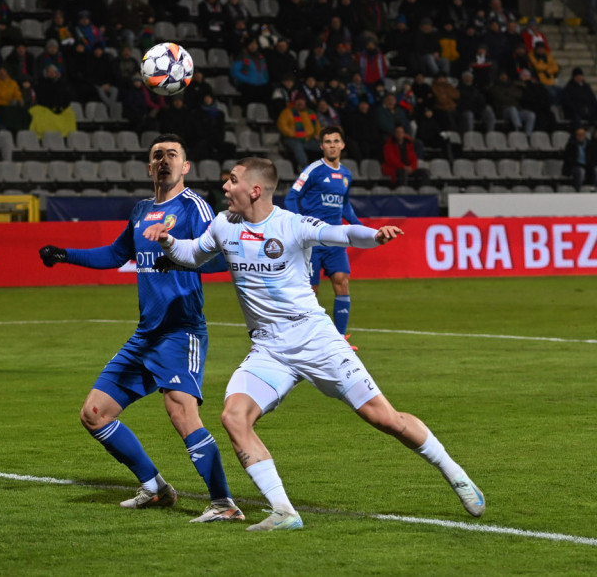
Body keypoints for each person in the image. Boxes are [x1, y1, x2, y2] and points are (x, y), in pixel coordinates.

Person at [143, 157, 486, 531]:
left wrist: (374, 235)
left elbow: (343, 234)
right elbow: (192, 255)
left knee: (385, 418)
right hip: (269, 349)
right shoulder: (224, 225)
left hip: (315, 339)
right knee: (233, 417)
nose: (225, 187)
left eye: (233, 181)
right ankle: (284, 512)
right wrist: (167, 240)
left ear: (254, 190)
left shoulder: (292, 225)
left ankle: (454, 472)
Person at [37, 134, 244, 524]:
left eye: (172, 155)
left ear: (185, 167)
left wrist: (182, 260)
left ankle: (223, 503)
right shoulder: (141, 210)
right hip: (146, 334)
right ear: (149, 168)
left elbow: (223, 256)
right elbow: (116, 255)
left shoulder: (194, 207)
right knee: (94, 413)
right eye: (156, 156)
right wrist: (66, 255)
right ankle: (154, 486)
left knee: (181, 412)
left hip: (181, 330)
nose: (163, 160)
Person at [285, 127, 361, 339]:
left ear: (342, 145)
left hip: (335, 239)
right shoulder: (312, 170)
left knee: (342, 280)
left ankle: (340, 338)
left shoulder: (346, 174)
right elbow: (291, 198)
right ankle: (303, 337)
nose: (332, 145)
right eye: (328, 141)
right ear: (322, 146)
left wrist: (360, 227)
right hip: (313, 241)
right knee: (311, 291)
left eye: (336, 141)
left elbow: (345, 207)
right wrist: (299, 225)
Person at [562, 125, 595, 191]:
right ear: (575, 135)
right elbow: (569, 159)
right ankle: (578, 190)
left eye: (582, 134)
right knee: (581, 171)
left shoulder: (590, 145)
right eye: (578, 134)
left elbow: (593, 158)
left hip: (587, 166)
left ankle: (594, 189)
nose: (580, 136)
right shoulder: (571, 145)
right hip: (574, 166)